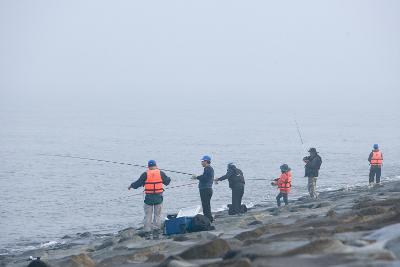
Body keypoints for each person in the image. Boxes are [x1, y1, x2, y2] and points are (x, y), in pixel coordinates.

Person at [128, 160, 171, 240]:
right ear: (156, 165)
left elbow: (137, 184)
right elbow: (167, 182)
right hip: (158, 198)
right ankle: (156, 232)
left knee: (148, 216)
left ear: (148, 166)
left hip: (148, 198)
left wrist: (131, 186)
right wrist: (169, 178)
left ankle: (147, 232)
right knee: (157, 215)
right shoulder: (160, 173)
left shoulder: (145, 174)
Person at [192, 155, 214, 222]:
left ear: (206, 161)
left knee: (205, 206)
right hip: (207, 189)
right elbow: (204, 176)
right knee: (206, 205)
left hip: (205, 189)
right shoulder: (208, 169)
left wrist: (196, 177)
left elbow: (205, 179)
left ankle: (208, 219)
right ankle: (209, 219)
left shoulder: (208, 168)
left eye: (202, 161)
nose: (201, 163)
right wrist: (198, 177)